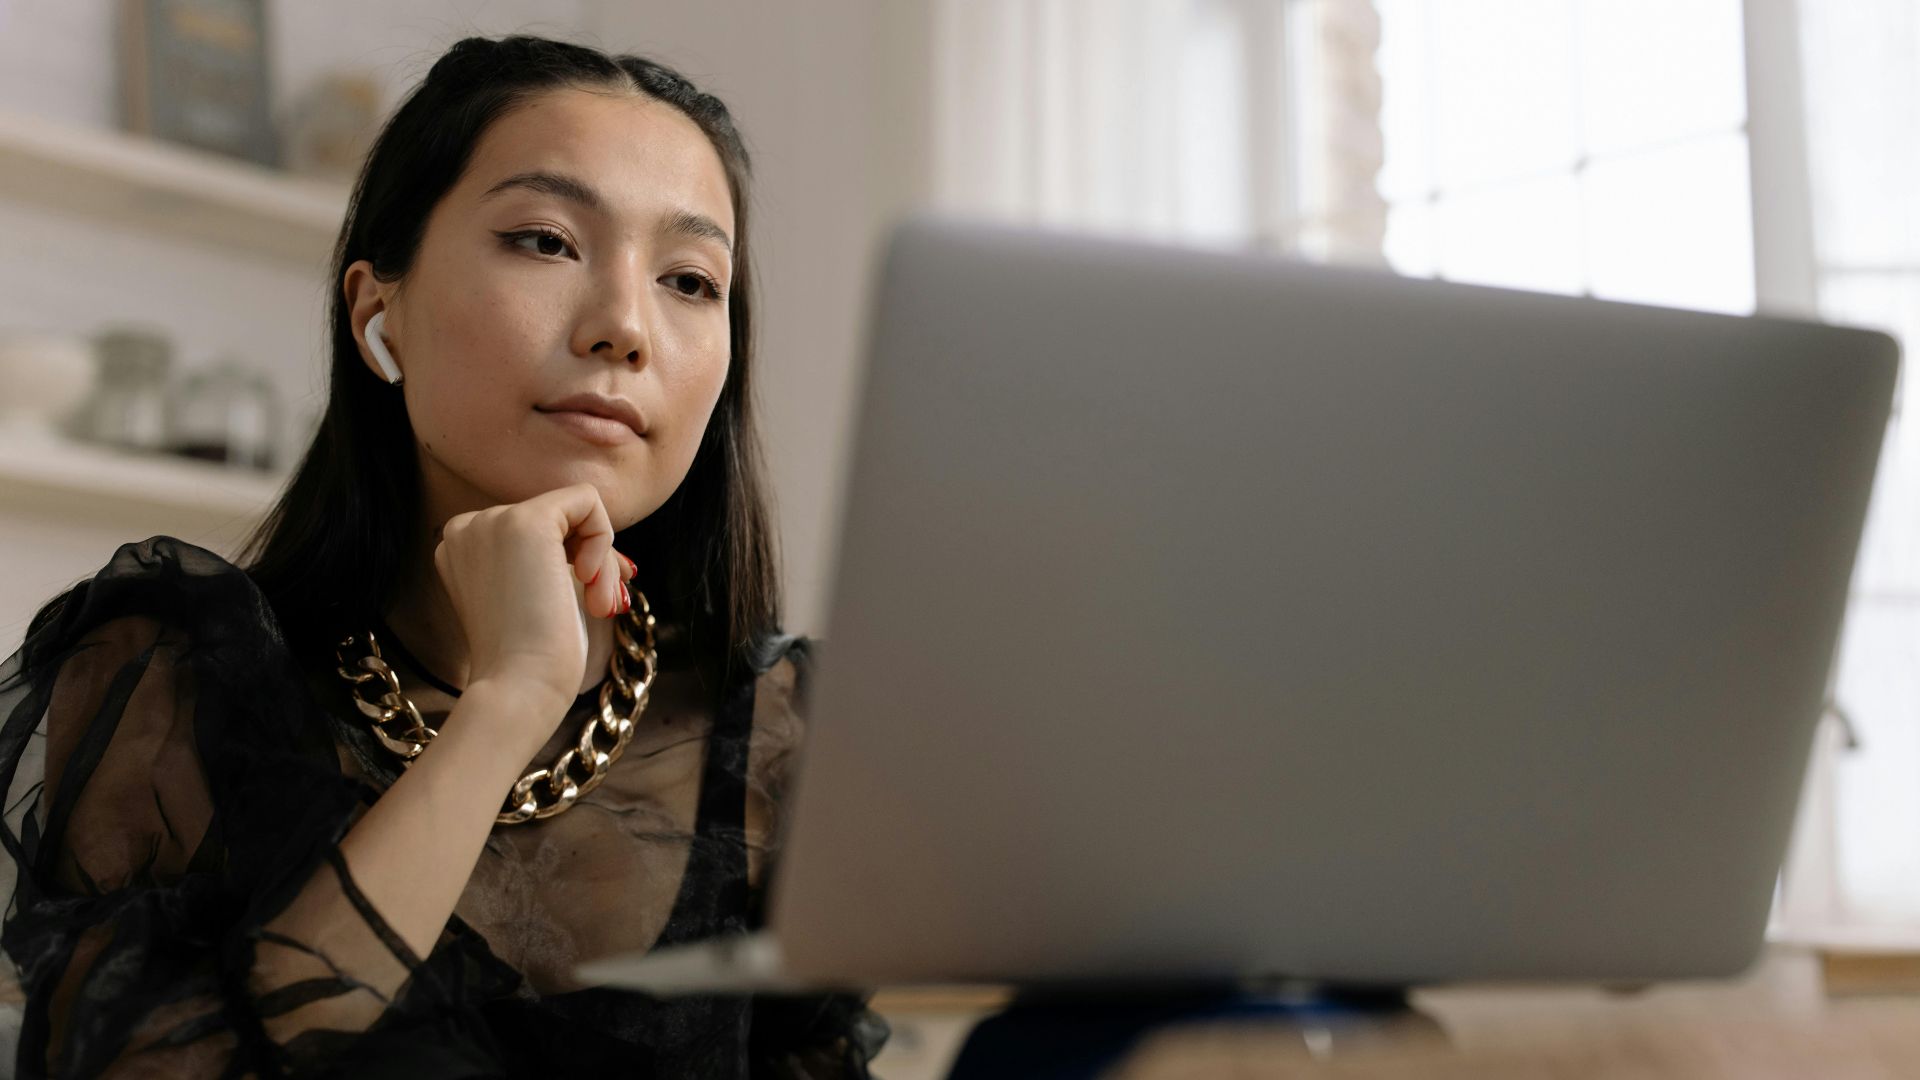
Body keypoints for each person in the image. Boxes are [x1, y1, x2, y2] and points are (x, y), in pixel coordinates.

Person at [0, 33, 888, 1078]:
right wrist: (511, 696)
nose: (624, 327)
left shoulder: (779, 738)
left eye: (691, 279)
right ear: (382, 313)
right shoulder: (170, 681)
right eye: (548, 241)